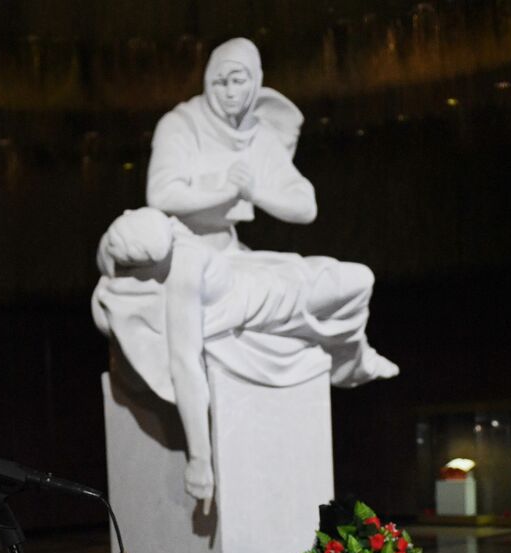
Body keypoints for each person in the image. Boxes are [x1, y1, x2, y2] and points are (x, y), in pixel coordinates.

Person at [93, 206, 398, 503]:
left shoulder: (145, 242)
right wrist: (200, 458)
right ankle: (357, 361)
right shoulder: (172, 258)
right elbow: (183, 363)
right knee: (360, 278)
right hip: (264, 299)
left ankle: (358, 358)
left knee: (351, 280)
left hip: (255, 280)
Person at [147, 37, 315, 252]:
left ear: (254, 82)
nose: (230, 93)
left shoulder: (259, 135)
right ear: (208, 81)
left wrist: (254, 192)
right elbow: (161, 195)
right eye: (220, 83)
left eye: (238, 81)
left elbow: (305, 207)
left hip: (228, 248)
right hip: (179, 246)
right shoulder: (181, 125)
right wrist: (225, 191)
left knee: (354, 276)